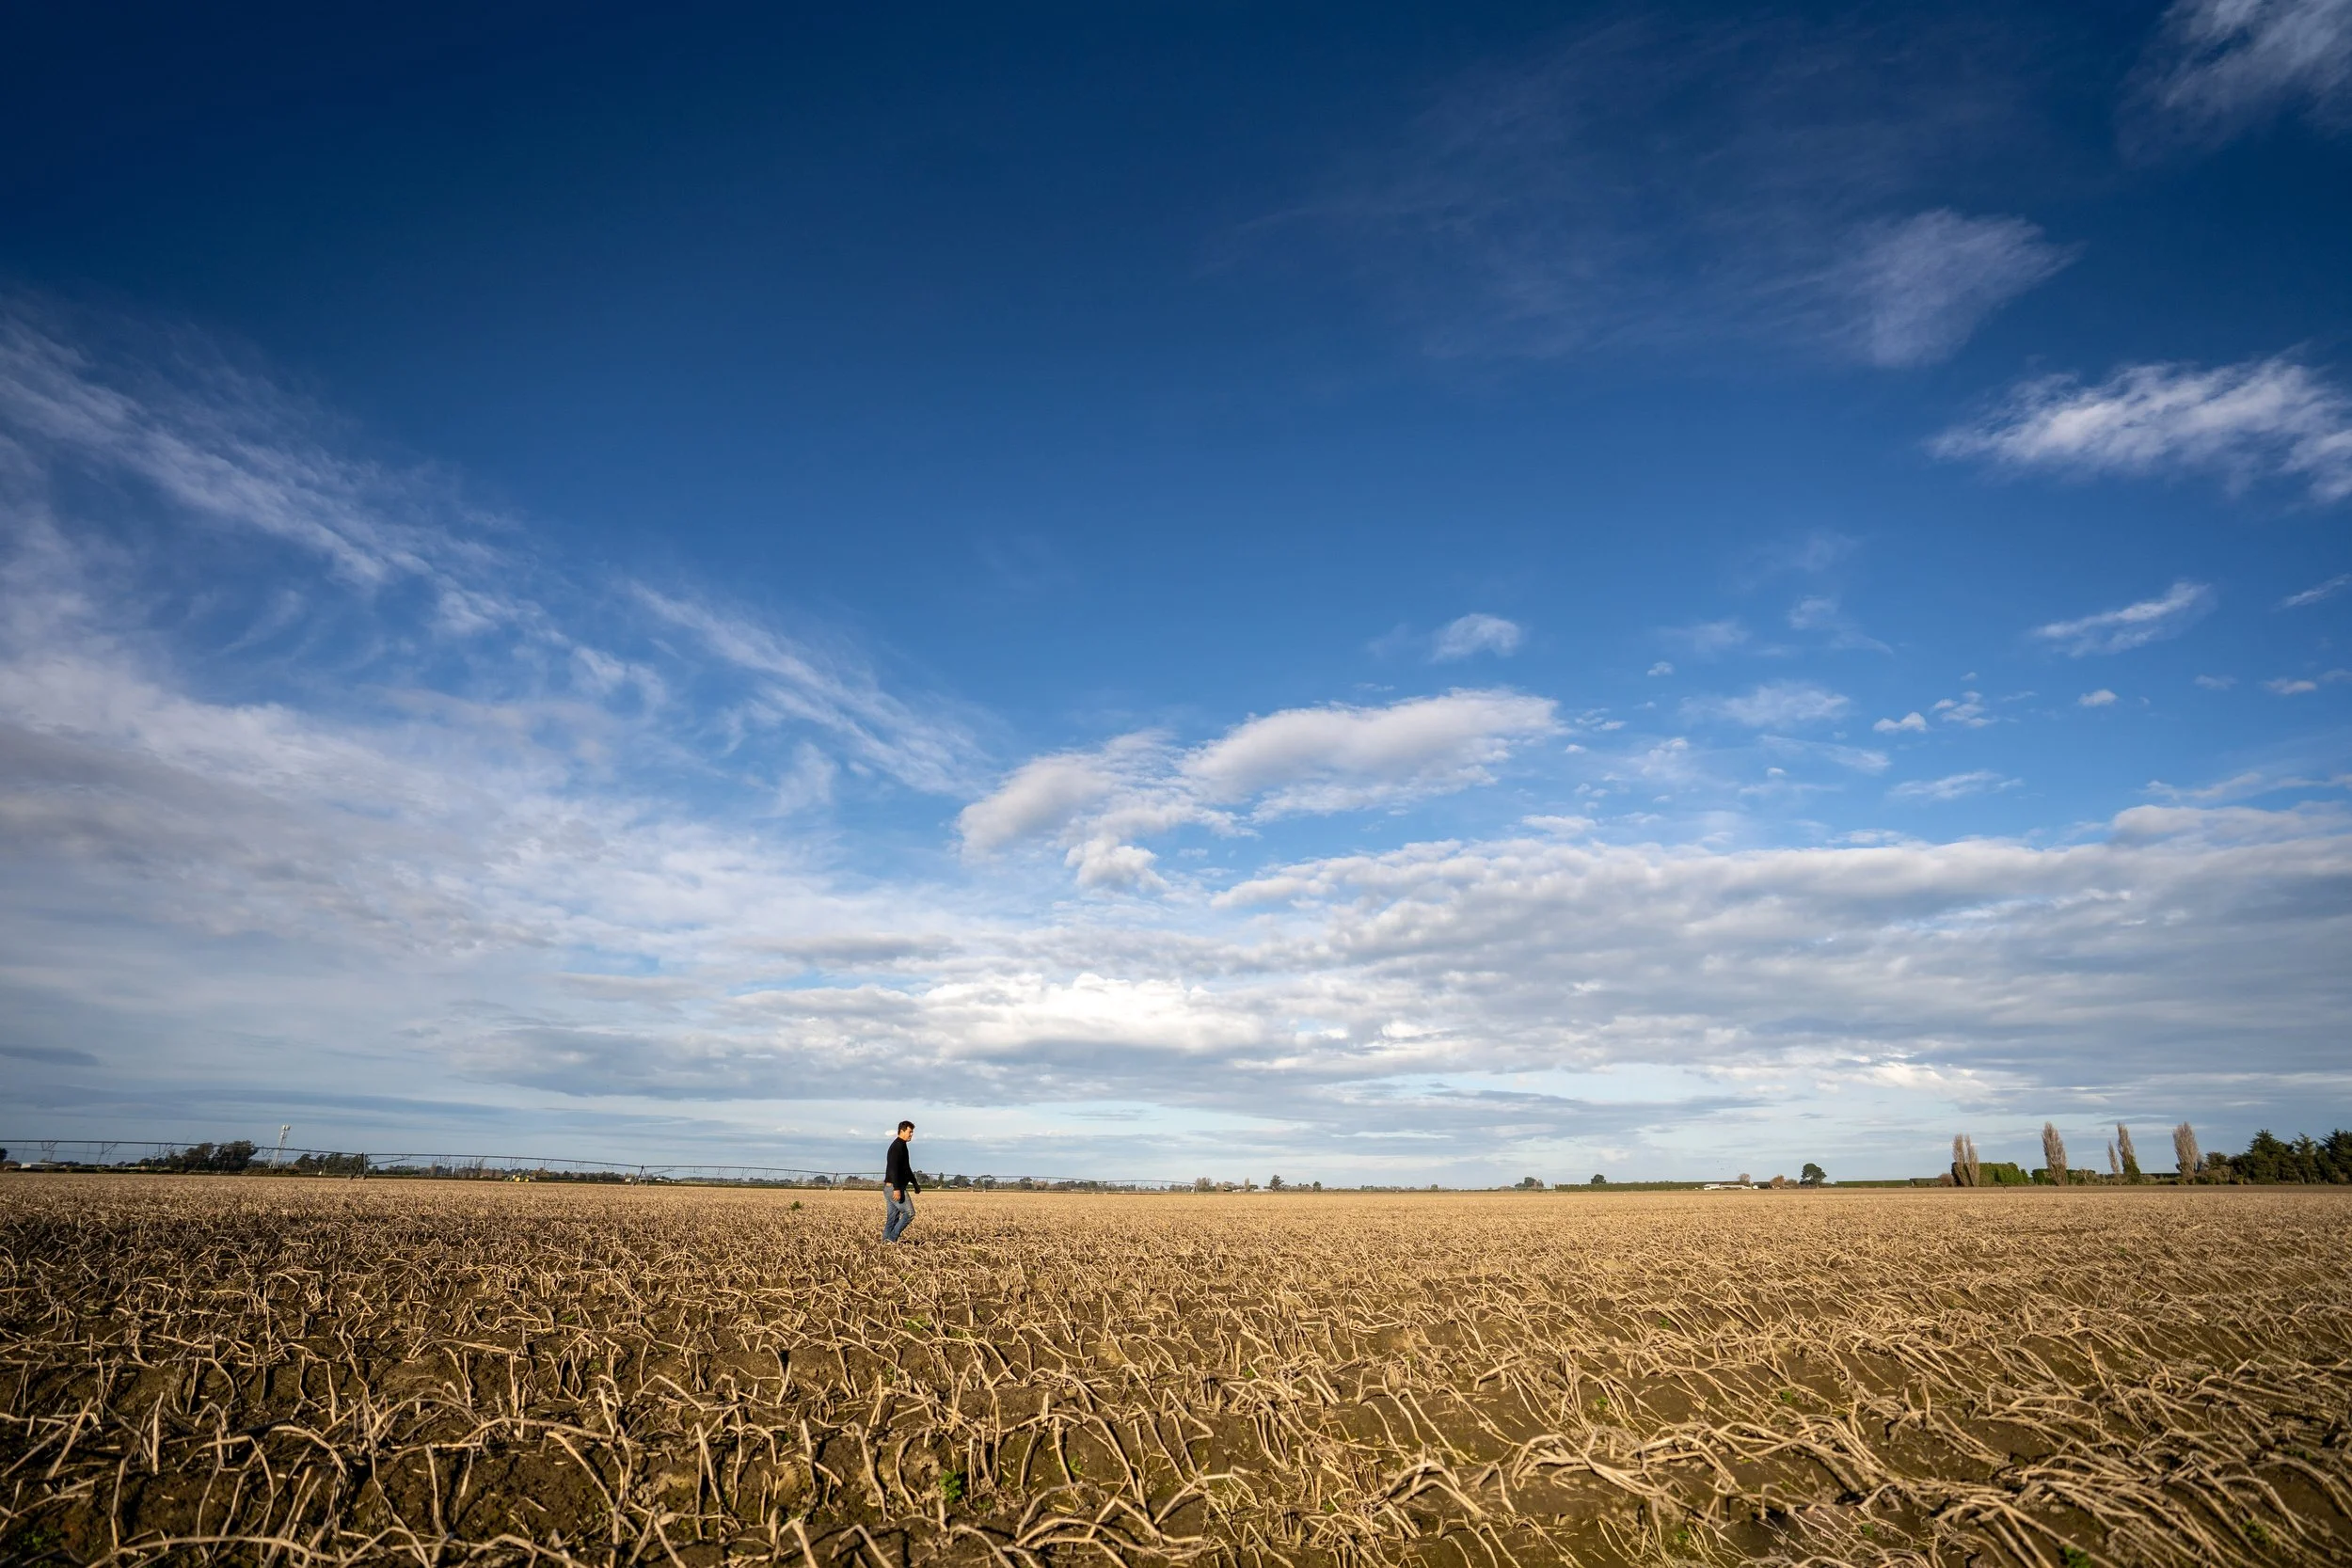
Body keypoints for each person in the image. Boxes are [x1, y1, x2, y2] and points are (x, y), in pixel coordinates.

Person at [882, 1121, 919, 1243]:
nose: (911, 1134)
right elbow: (893, 1168)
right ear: (902, 1131)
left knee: (892, 1218)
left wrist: (915, 1184)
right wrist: (897, 1188)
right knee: (909, 1213)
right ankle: (891, 1240)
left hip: (890, 1188)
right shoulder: (897, 1147)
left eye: (912, 1132)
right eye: (910, 1131)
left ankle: (885, 1243)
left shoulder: (902, 1146)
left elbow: (906, 1168)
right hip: (894, 1188)